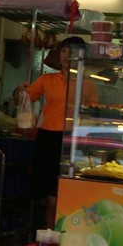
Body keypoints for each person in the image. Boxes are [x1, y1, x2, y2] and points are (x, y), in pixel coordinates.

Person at [16, 35, 98, 228]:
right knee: (49, 194)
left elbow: (92, 117)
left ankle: (64, 234)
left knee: (66, 191)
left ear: (82, 56)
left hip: (73, 141)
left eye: (72, 51)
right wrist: (20, 91)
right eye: (63, 50)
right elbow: (24, 100)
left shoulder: (88, 85)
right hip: (48, 139)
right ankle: (49, 234)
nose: (66, 55)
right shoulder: (47, 79)